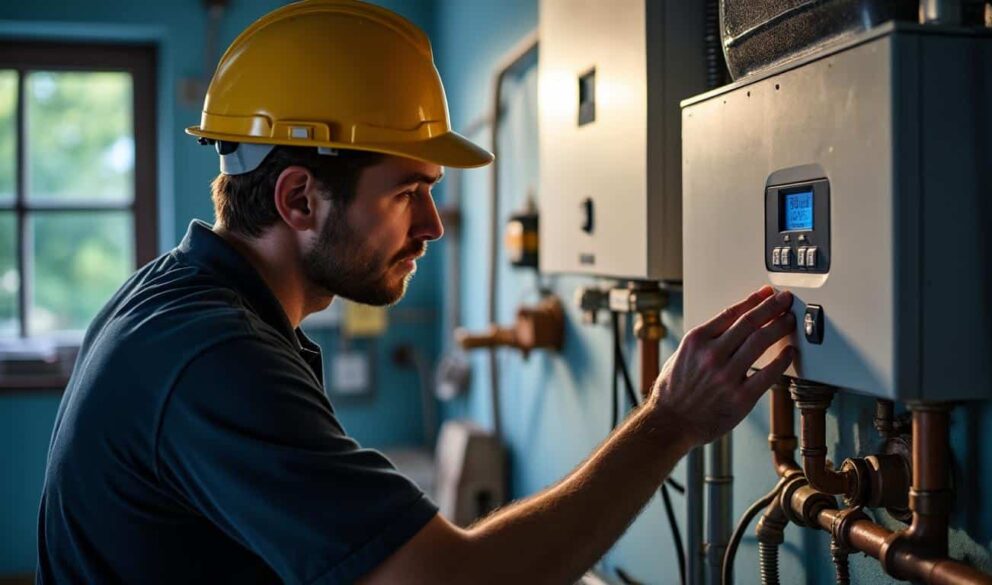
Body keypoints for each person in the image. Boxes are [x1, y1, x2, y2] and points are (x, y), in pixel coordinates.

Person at [36, 1, 796, 583]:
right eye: (407, 192)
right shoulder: (214, 355)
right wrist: (667, 423)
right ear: (299, 199)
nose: (432, 225)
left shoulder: (178, 298)